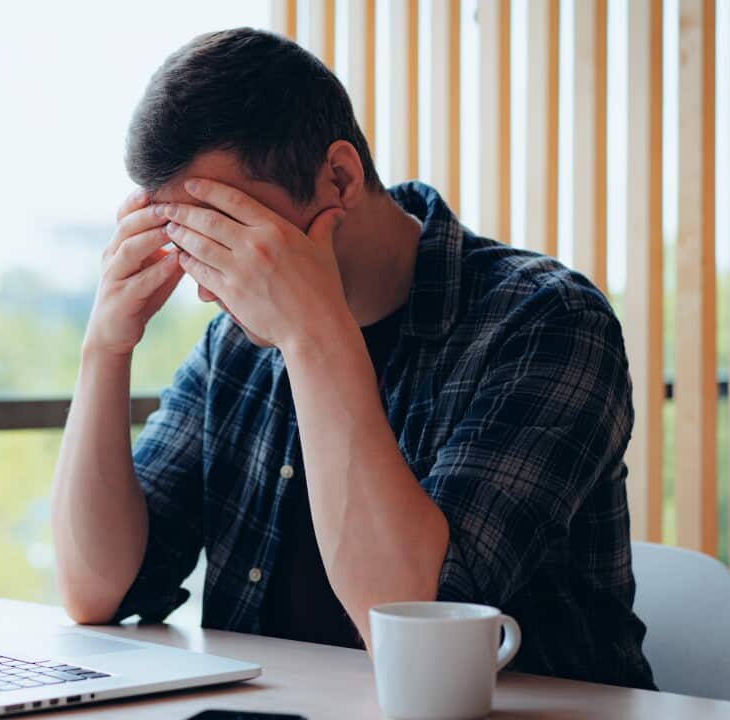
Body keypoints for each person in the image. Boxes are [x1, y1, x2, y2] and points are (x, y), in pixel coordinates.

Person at [49, 27, 655, 690]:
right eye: (190, 238)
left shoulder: (546, 321)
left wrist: (314, 333)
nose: (213, 283)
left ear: (338, 177)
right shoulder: (236, 347)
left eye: (233, 230)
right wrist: (104, 349)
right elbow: (97, 591)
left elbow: (419, 629)